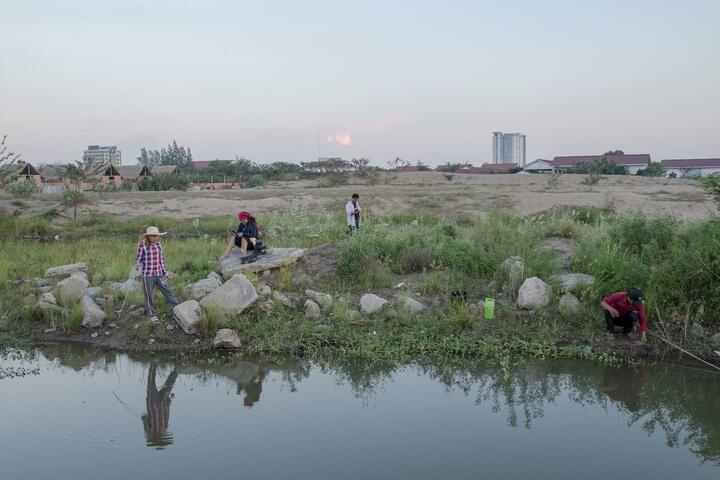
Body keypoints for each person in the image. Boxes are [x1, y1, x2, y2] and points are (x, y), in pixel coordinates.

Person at [136, 226, 179, 324]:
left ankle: (176, 306)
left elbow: (161, 260)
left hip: (159, 274)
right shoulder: (142, 245)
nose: (155, 238)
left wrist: (165, 273)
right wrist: (138, 264)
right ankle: (152, 314)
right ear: (148, 236)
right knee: (148, 294)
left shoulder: (158, 245)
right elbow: (139, 258)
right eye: (153, 236)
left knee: (167, 290)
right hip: (148, 275)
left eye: (156, 236)